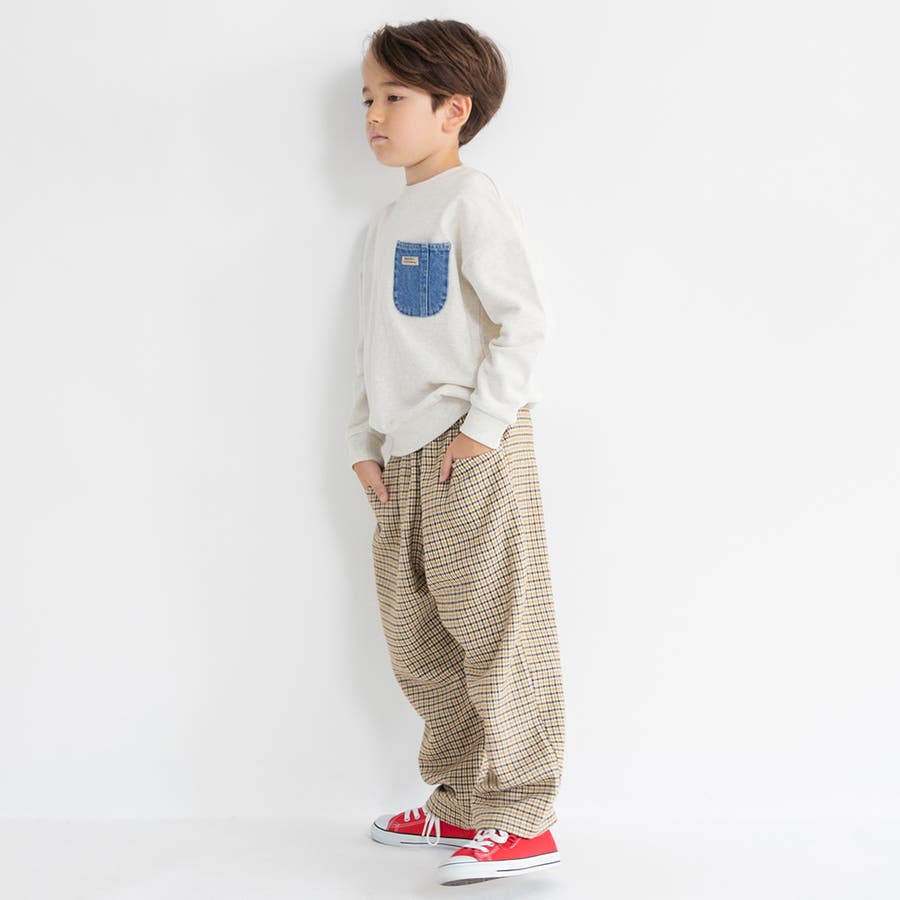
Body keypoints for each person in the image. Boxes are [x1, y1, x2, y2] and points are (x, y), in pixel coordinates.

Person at [346, 19, 566, 886]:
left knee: (499, 628)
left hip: (470, 443)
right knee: (419, 637)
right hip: (401, 455)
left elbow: (524, 322)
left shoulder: (470, 200)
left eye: (394, 97)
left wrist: (483, 428)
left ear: (453, 110)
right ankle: (464, 800)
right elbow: (376, 347)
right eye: (368, 98)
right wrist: (362, 439)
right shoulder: (386, 223)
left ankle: (525, 815)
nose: (373, 114)